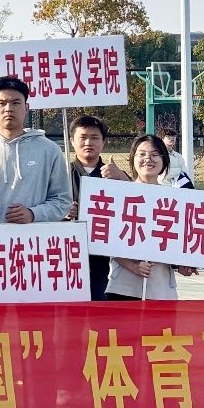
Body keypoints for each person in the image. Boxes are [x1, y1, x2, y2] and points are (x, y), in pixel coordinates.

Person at [0, 77, 73, 225]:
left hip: (34, 237)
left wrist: (33, 214)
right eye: (2, 103)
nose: (9, 109)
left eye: (16, 103)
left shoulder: (49, 150)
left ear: (26, 108)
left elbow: (62, 201)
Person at [105, 135, 201, 300]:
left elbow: (177, 242)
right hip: (124, 287)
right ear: (133, 158)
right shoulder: (119, 194)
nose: (148, 159)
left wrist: (184, 264)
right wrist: (133, 266)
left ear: (164, 160)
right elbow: (107, 242)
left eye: (155, 154)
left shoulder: (175, 199)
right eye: (142, 154)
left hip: (161, 289)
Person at [67, 115, 129, 300]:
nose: (88, 142)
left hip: (100, 260)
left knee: (97, 308)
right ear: (71, 141)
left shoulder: (113, 174)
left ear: (103, 141)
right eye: (83, 137)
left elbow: (139, 203)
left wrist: (122, 178)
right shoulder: (60, 174)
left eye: (94, 137)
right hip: (66, 255)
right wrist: (61, 211)